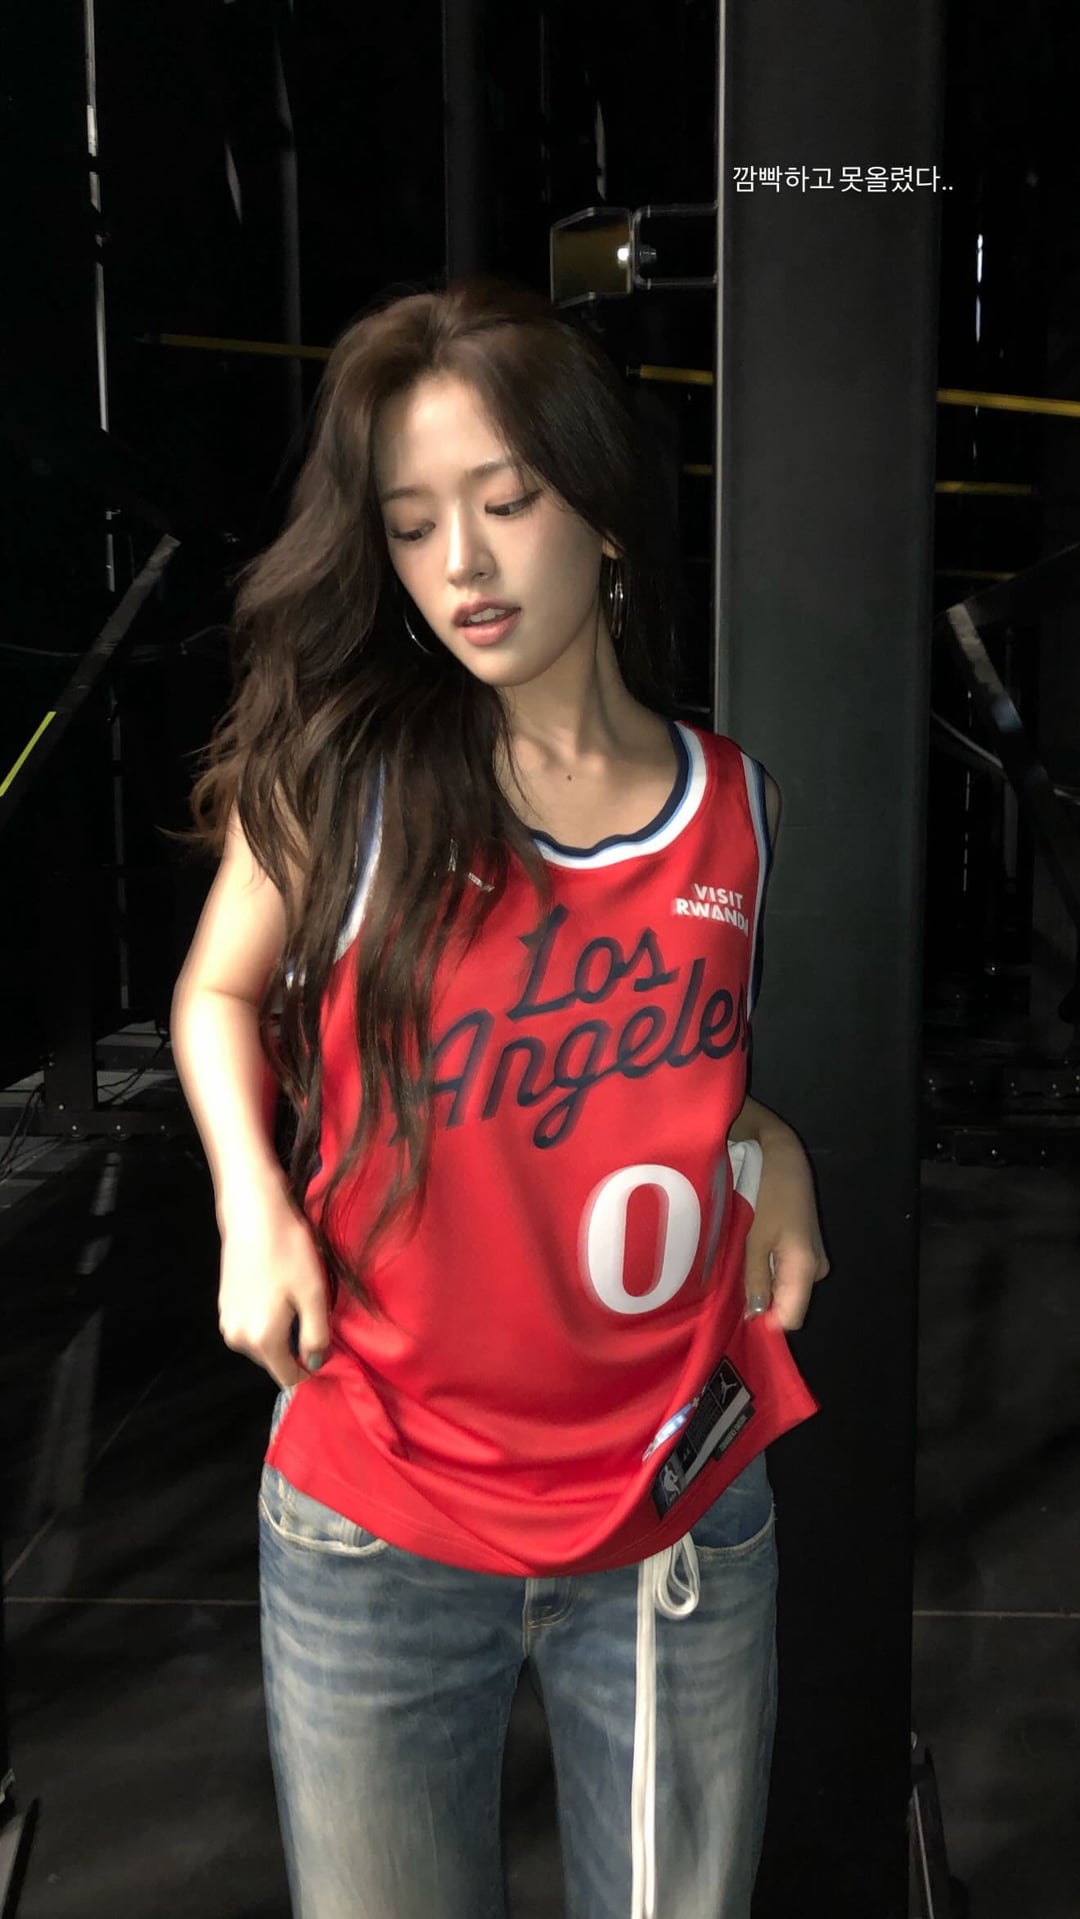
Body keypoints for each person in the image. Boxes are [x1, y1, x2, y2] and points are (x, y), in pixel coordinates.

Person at [170, 275, 830, 1919]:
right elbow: (217, 992)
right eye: (411, 526)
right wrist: (253, 1202)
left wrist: (776, 1147)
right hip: (379, 1511)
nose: (460, 562)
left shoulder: (736, 808)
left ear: (600, 512)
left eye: (506, 502)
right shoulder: (351, 778)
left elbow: (674, 1083)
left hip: (671, 1518)